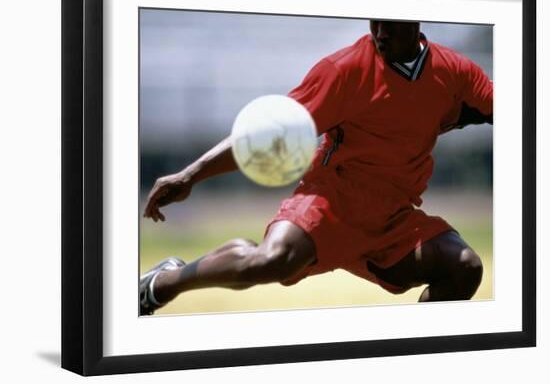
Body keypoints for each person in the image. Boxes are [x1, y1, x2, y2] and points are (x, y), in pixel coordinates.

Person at [140, 20, 493, 316]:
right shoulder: (343, 70)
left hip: (393, 218)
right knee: (271, 261)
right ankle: (163, 282)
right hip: (331, 201)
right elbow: (265, 134)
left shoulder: (455, 72)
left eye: (391, 22)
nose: (380, 32)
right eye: (375, 21)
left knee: (463, 268)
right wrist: (191, 174)